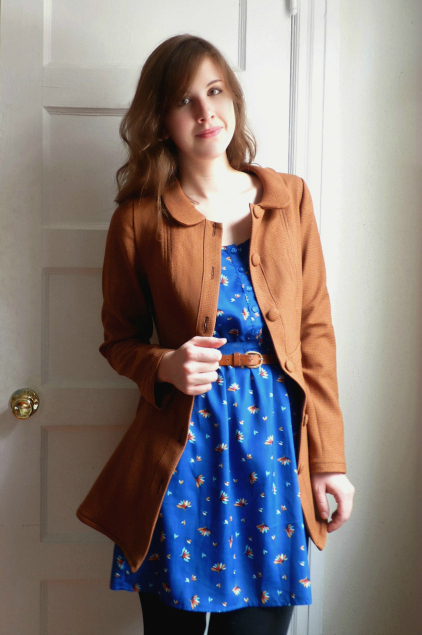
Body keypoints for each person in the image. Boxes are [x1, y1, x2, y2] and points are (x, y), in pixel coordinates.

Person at [76, 34, 355, 635]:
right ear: (161, 119)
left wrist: (329, 461)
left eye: (215, 90)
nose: (206, 112)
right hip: (179, 455)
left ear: (233, 98)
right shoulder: (138, 219)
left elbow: (315, 334)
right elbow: (118, 340)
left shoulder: (288, 199)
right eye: (185, 100)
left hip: (273, 449)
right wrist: (163, 365)